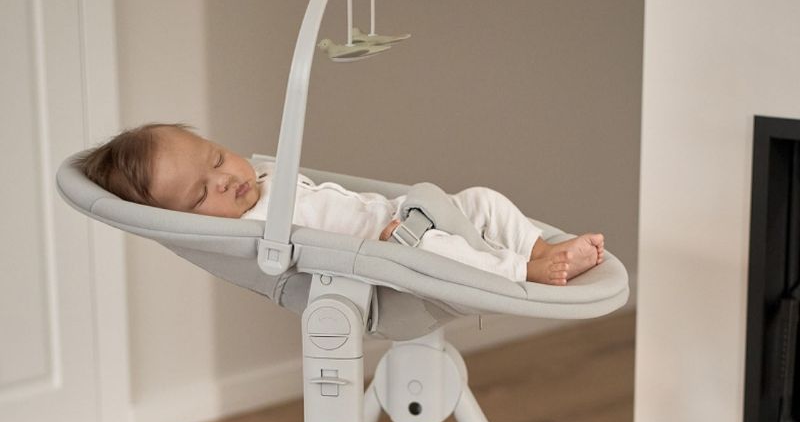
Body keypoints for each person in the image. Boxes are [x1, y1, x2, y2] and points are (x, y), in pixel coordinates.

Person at [78, 123, 604, 285]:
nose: (223, 180)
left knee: (482, 199)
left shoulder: (263, 173)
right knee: (440, 251)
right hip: (392, 249)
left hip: (407, 210)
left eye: (216, 159)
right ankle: (524, 272)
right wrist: (389, 241)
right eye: (199, 195)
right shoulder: (257, 227)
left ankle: (538, 248)